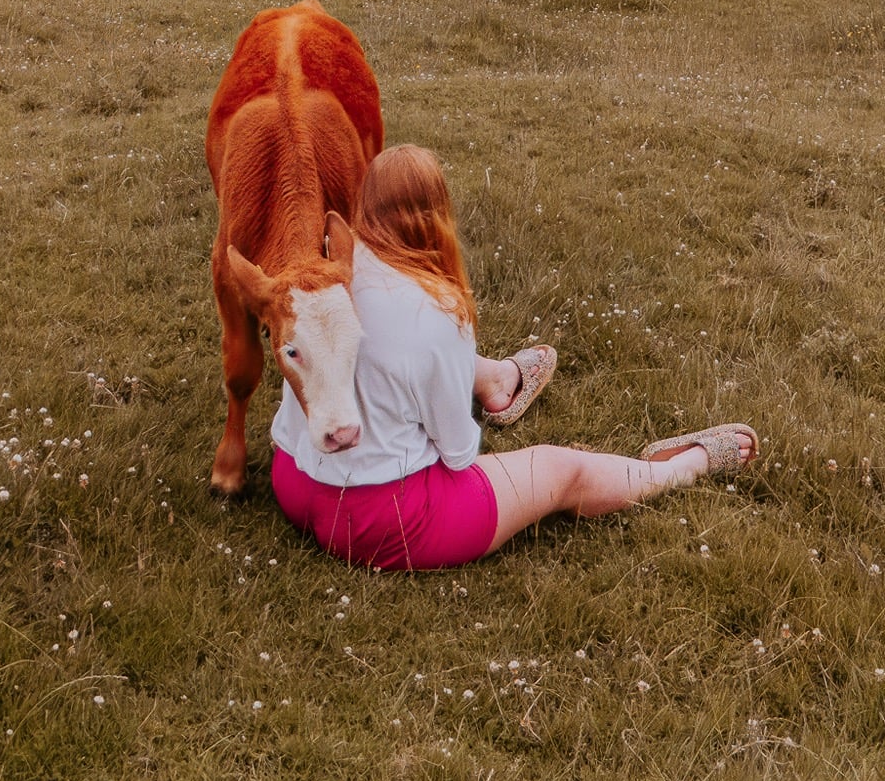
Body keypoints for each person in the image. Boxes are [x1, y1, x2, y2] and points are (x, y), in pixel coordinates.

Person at [269, 144, 759, 571]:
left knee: (414, 367)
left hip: (294, 480)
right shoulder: (435, 311)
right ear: (438, 213)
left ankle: (498, 379)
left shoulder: (329, 273)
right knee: (564, 469)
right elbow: (459, 455)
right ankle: (680, 468)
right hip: (384, 522)